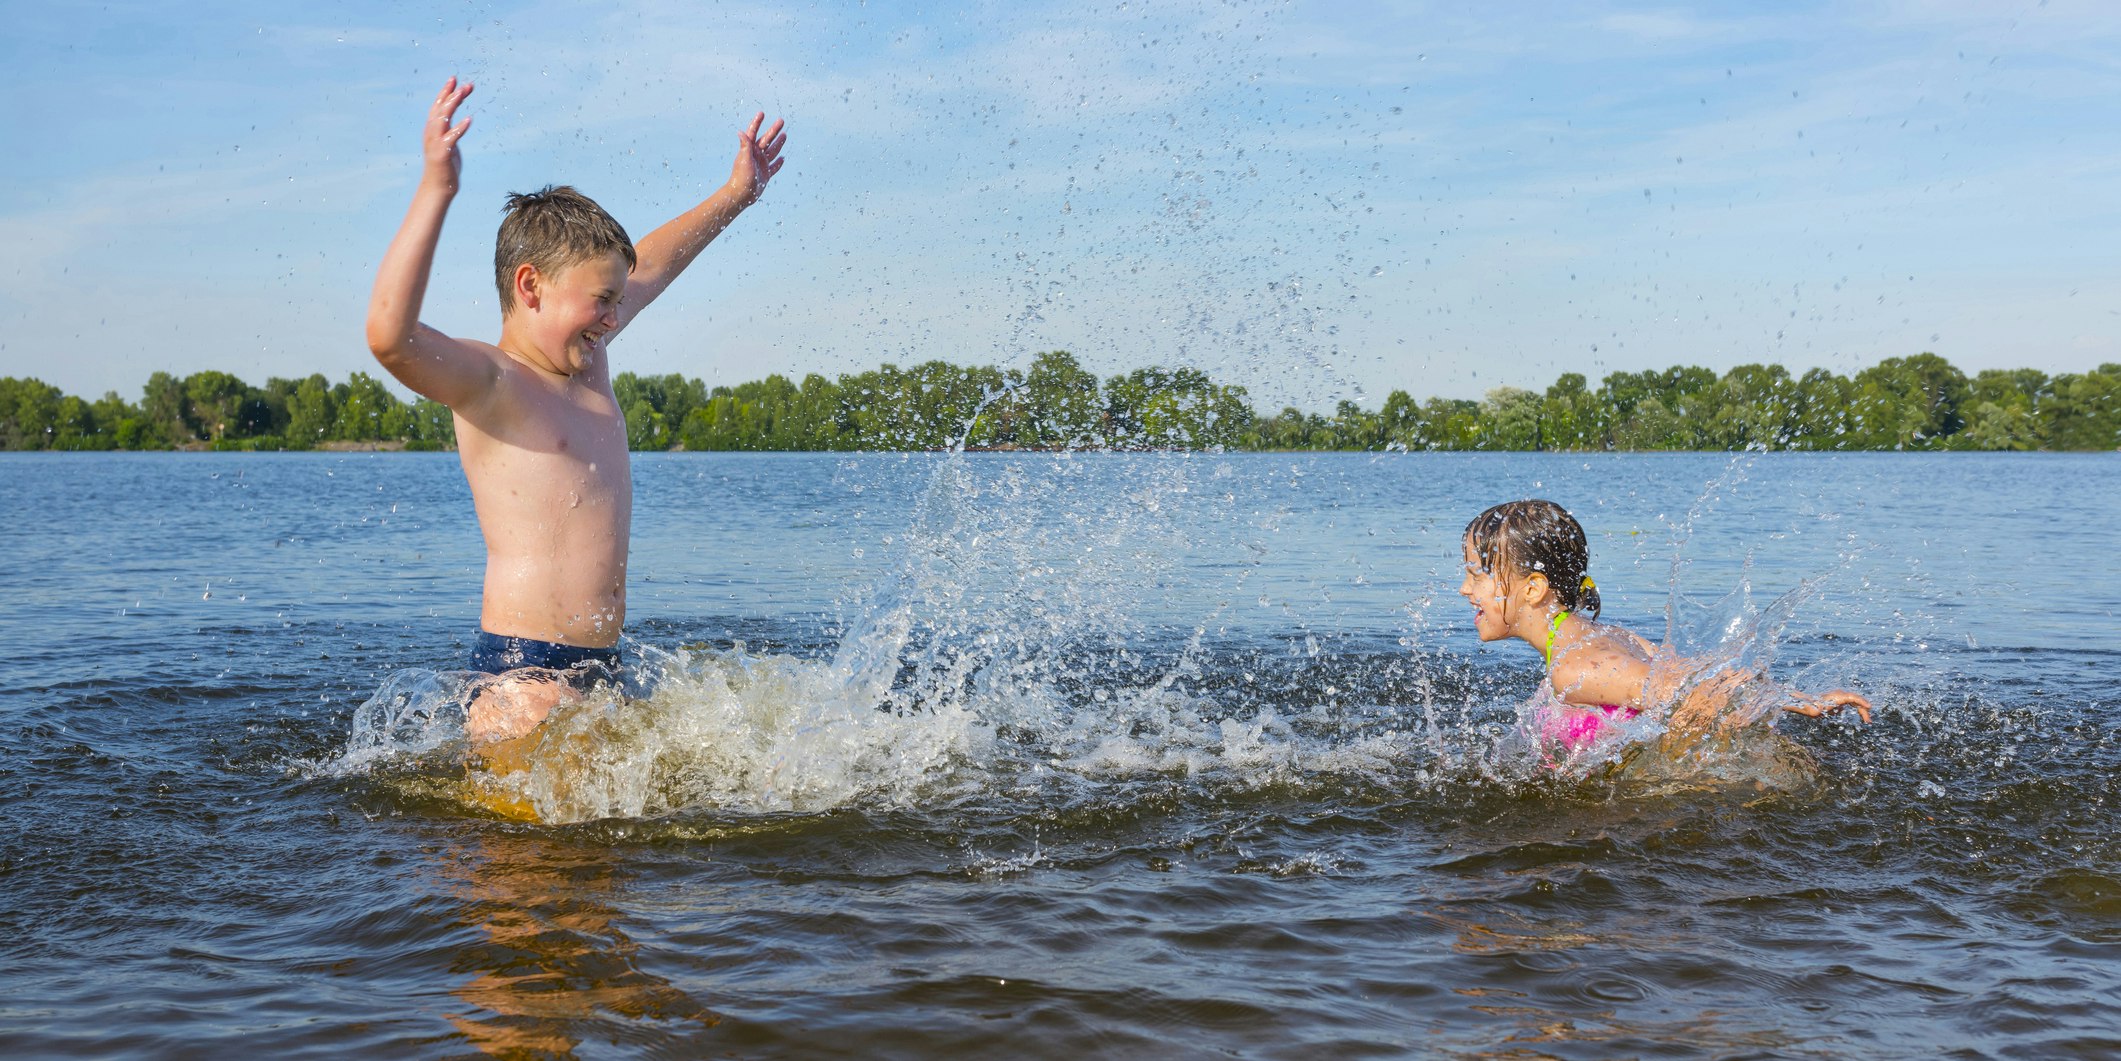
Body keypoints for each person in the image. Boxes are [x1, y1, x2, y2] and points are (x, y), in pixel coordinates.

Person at [364, 78, 787, 741]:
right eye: (601, 302)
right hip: (523, 675)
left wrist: (735, 195)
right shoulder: (492, 380)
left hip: (603, 666)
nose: (614, 317)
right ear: (530, 286)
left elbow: (654, 266)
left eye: (617, 301)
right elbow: (390, 338)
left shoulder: (589, 359)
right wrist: (436, 189)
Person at [1457, 499, 1869, 760]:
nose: (1465, 589)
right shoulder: (1607, 636)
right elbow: (1694, 671)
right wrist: (1797, 699)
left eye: (1477, 575)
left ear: (1533, 588)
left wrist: (1800, 702)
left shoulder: (1576, 668)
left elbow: (1690, 689)